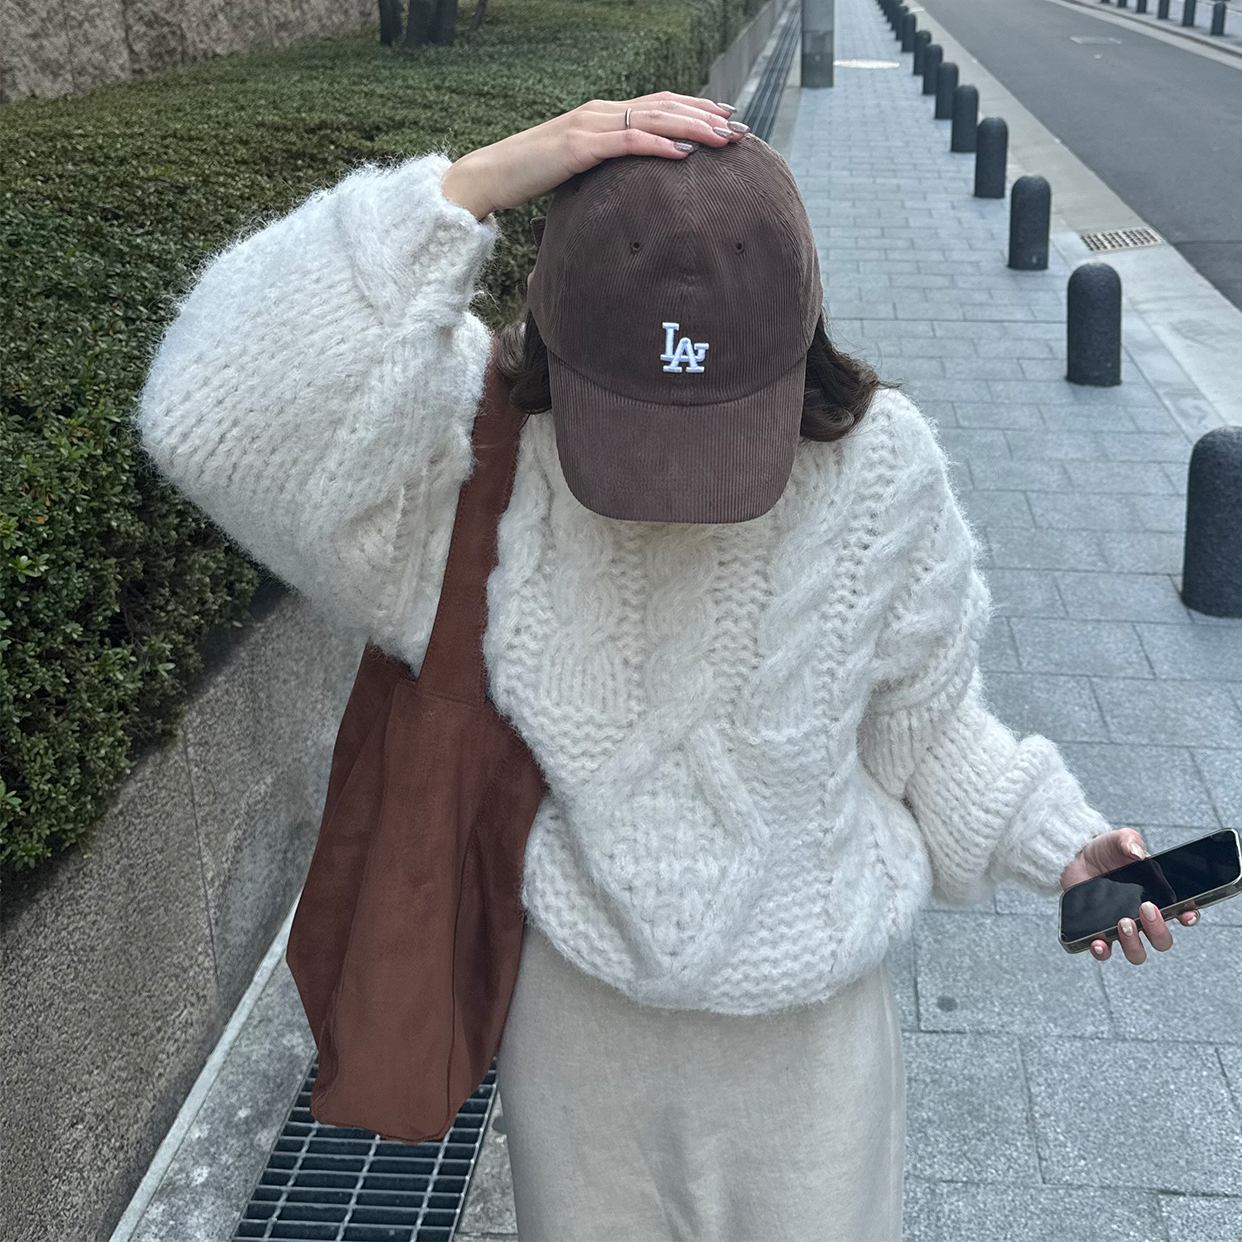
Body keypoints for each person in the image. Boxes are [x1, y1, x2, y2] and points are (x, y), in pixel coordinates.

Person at [135, 92, 1196, 1242]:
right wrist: (475, 184)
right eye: (636, 427)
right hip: (581, 1055)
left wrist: (1058, 841)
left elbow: (926, 733)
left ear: (797, 334)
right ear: (555, 327)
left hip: (814, 1068)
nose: (679, 490)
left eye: (722, 425)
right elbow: (203, 413)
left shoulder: (881, 472)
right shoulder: (477, 473)